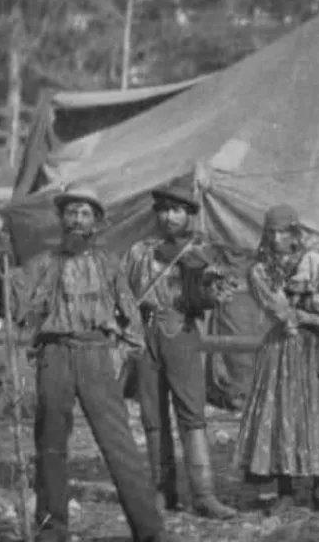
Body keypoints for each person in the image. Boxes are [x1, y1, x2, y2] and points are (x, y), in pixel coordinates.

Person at [14, 185, 172, 541]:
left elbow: (131, 316)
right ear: (61, 219)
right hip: (54, 355)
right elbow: (19, 310)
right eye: (71, 212)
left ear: (96, 222)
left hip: (96, 354)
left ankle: (150, 531)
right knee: (50, 444)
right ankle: (51, 529)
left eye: (85, 213)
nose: (77, 220)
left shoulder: (108, 264)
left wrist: (120, 353)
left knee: (119, 444)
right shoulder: (44, 264)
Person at [232, 204, 319, 513]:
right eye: (271, 233)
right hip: (286, 346)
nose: (276, 239)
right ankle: (286, 489)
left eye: (282, 232)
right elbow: (280, 311)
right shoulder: (262, 270)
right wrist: (306, 316)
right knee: (284, 414)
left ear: (295, 232)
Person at [122, 180, 237, 519]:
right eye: (163, 210)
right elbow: (124, 291)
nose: (169, 217)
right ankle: (163, 491)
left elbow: (215, 297)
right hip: (146, 336)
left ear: (189, 214)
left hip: (181, 334)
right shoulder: (139, 251)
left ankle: (204, 495)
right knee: (152, 416)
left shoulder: (201, 251)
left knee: (191, 413)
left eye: (177, 211)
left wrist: (211, 287)